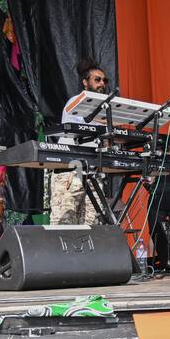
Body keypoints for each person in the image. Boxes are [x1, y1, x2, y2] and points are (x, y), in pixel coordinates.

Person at [49, 61, 109, 225]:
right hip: (71, 168)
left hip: (93, 170)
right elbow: (81, 132)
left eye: (105, 80)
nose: (102, 83)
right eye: (97, 80)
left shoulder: (105, 109)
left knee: (93, 222)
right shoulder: (76, 102)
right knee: (65, 220)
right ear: (85, 82)